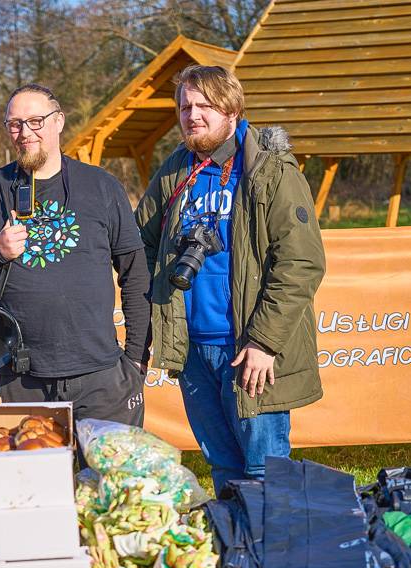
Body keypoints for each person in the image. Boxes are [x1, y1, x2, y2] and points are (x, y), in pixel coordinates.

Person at [136, 65, 326, 493]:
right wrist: (161, 309)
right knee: (223, 469)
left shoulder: (269, 170)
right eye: (185, 107)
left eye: (204, 105)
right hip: (192, 351)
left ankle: (271, 538)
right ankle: (233, 537)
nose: (192, 115)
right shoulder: (176, 170)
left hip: (248, 349)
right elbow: (139, 242)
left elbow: (300, 262)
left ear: (232, 110)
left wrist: (264, 342)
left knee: (264, 473)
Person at [0, 83, 150, 428]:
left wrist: (135, 358)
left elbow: (135, 274)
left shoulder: (102, 186)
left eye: (36, 121)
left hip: (101, 376)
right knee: (31, 465)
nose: (25, 132)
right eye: (15, 124)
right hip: (21, 376)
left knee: (109, 466)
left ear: (59, 121)